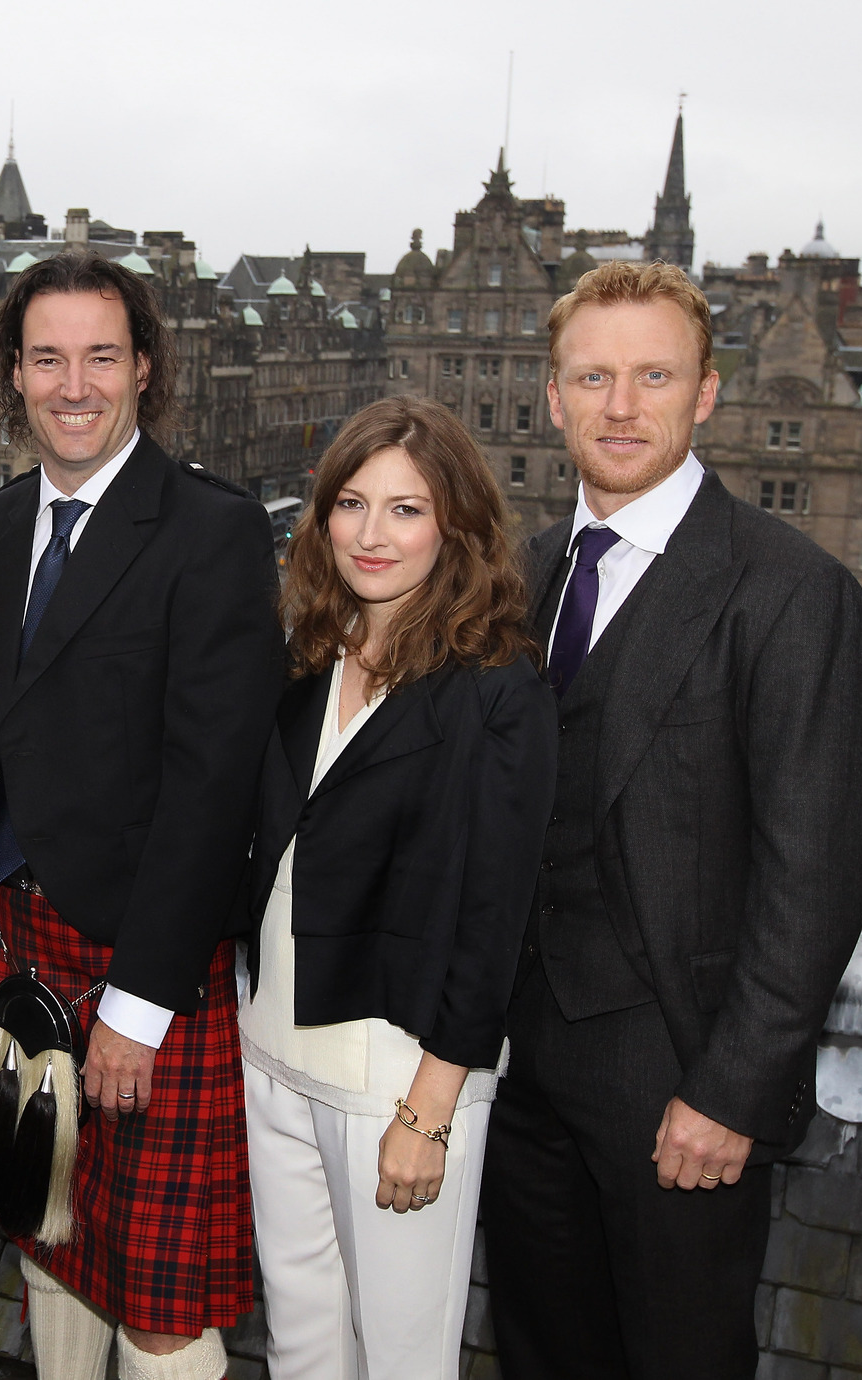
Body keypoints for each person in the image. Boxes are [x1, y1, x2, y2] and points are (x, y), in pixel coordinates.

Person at [480, 260, 862, 1379]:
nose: (620, 405)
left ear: (704, 392)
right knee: (540, 1353)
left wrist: (727, 1092)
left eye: (651, 375)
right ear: (552, 396)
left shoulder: (790, 592)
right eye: (592, 377)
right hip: (517, 1068)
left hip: (676, 1078)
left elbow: (815, 875)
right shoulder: (526, 572)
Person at [0, 252, 286, 1379]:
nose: (73, 383)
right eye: (46, 357)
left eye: (100, 355)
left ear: (143, 369)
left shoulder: (211, 532)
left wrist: (140, 1005)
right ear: (12, 374)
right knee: (43, 1233)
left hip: (143, 961)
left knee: (157, 1293)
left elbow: (213, 784)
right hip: (17, 951)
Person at [236, 396, 558, 1378]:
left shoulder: (498, 687)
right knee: (300, 1346)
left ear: (454, 524)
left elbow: (494, 918)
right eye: (350, 504)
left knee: (401, 1358)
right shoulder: (304, 654)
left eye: (405, 510)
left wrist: (427, 1109)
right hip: (271, 1060)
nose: (370, 535)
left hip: (396, 1086)